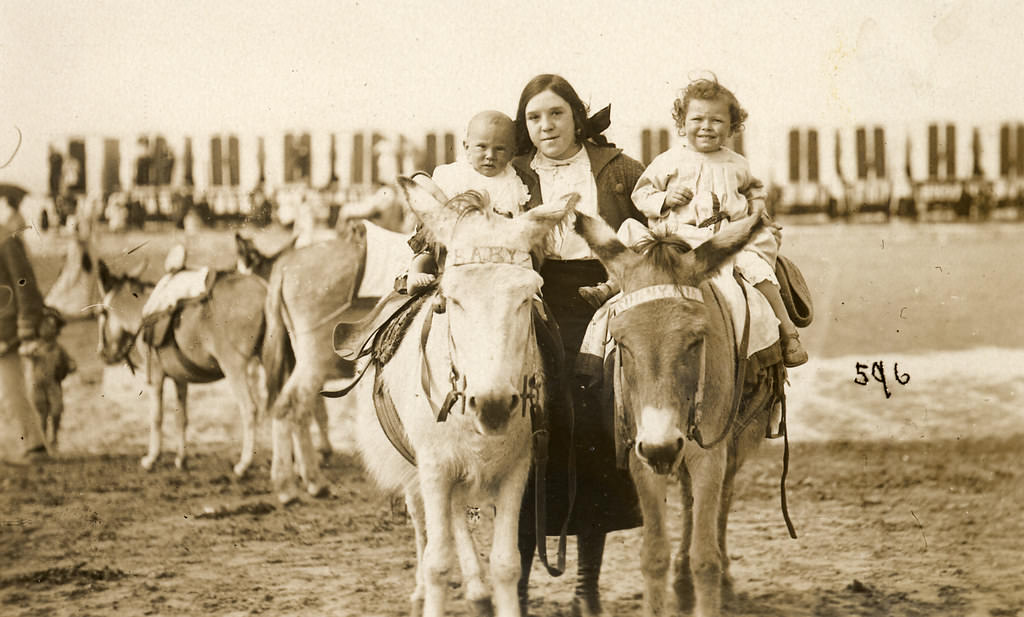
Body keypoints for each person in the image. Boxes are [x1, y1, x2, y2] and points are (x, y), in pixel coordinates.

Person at [511, 73, 644, 616]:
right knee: (524, 439)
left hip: (605, 300)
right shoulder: (515, 173)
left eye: (556, 114)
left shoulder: (616, 170)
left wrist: (621, 279)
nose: (546, 126)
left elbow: (654, 228)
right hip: (533, 301)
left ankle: (587, 583)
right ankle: (514, 583)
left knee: (596, 433)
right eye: (534, 117)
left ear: (577, 116)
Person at [585, 76, 808, 367]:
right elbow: (642, 193)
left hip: (722, 240)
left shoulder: (737, 164)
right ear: (681, 123)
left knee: (758, 269)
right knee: (631, 233)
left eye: (716, 120)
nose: (706, 127)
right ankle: (613, 283)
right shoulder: (668, 160)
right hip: (679, 236)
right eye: (697, 119)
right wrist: (665, 198)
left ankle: (786, 330)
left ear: (732, 127)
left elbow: (755, 192)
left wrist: (758, 214)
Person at [405, 110, 534, 294]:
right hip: (449, 240)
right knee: (429, 242)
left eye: (500, 149)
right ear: (466, 147)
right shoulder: (454, 174)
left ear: (512, 152)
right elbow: (430, 195)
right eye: (481, 147)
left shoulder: (512, 184)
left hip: (490, 248)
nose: (490, 155)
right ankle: (415, 273)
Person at [0, 195, 49, 464]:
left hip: (4, 326)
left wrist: (26, 322)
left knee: (11, 389)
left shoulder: (5, 240)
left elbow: (24, 282)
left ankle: (34, 445)